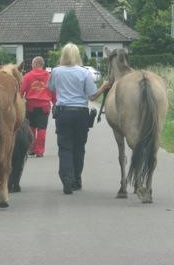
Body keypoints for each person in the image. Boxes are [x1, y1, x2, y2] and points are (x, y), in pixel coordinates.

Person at [47, 43, 110, 195]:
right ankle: (76, 180)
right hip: (81, 113)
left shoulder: (56, 72)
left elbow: (51, 89)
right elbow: (92, 96)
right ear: (77, 56)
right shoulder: (84, 73)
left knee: (65, 148)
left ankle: (66, 179)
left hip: (63, 113)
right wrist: (104, 86)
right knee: (79, 148)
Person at [21, 56, 55, 157]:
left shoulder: (27, 76)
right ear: (42, 64)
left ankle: (31, 149)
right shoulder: (49, 77)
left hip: (30, 106)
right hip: (44, 106)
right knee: (42, 129)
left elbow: (21, 91)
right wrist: (55, 103)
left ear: (34, 64)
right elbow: (53, 92)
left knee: (31, 128)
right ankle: (39, 151)